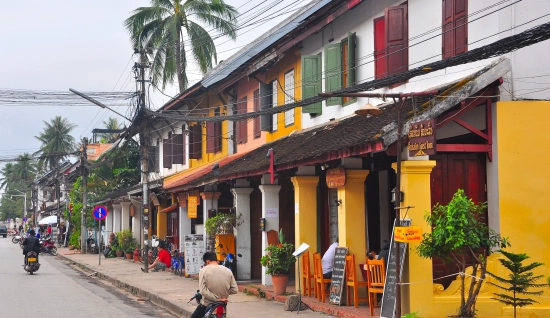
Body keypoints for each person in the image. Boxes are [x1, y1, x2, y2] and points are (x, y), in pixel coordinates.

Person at [190, 251, 238, 318]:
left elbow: (203, 291)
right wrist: (223, 295)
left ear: (207, 261)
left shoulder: (203, 270)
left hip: (207, 305)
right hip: (222, 305)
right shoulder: (228, 271)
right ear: (216, 260)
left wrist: (217, 299)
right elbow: (235, 290)